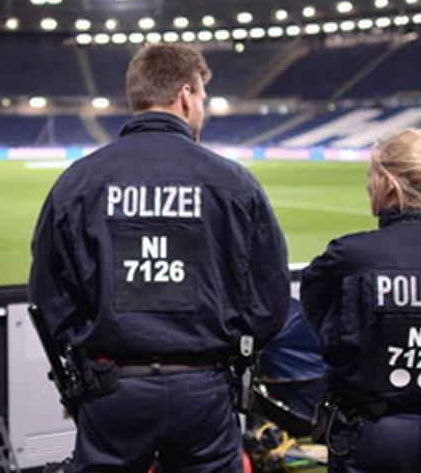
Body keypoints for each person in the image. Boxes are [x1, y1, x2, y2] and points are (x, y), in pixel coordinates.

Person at [29, 44, 290, 472]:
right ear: (186, 96)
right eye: (203, 98)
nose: (202, 110)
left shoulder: (78, 182)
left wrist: (89, 346)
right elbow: (271, 299)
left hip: (111, 387)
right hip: (204, 387)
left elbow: (47, 295)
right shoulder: (235, 184)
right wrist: (231, 347)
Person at [300, 129, 421, 473]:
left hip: (368, 435)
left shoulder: (349, 256)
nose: (367, 186)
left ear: (389, 183)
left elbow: (319, 317)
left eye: (371, 176)